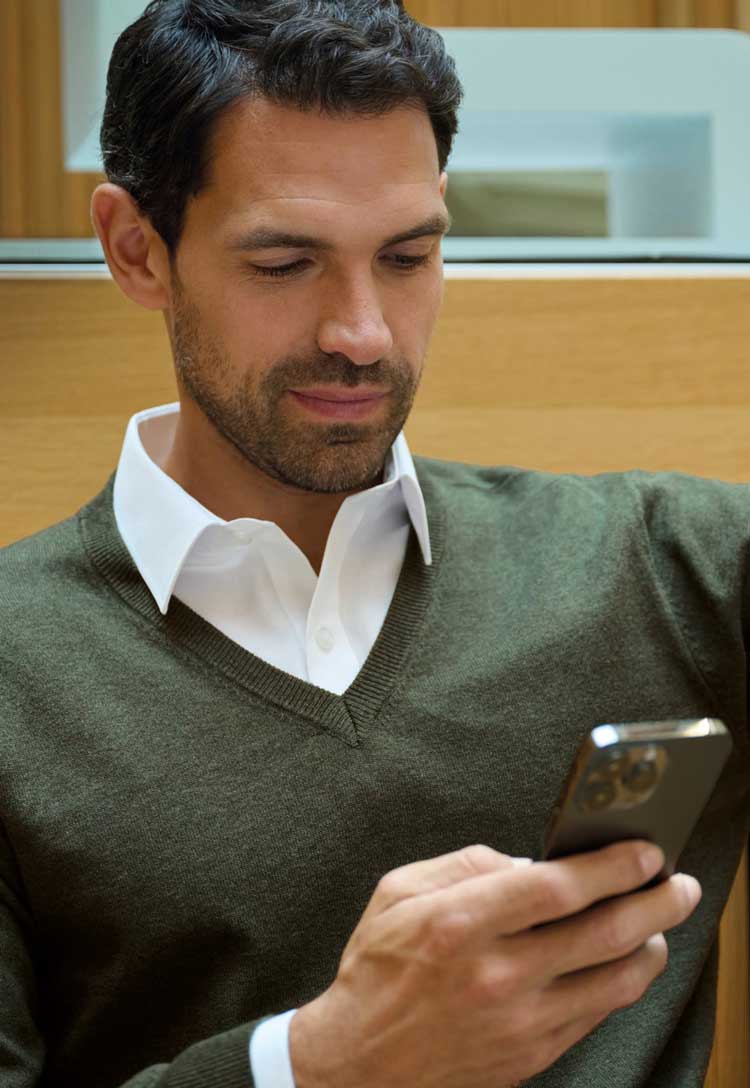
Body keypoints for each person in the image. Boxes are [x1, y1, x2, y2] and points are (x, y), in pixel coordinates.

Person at [0, 1, 747, 1086]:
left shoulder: (660, 567)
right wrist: (316, 1063)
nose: (362, 332)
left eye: (407, 255)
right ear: (135, 248)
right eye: (284, 263)